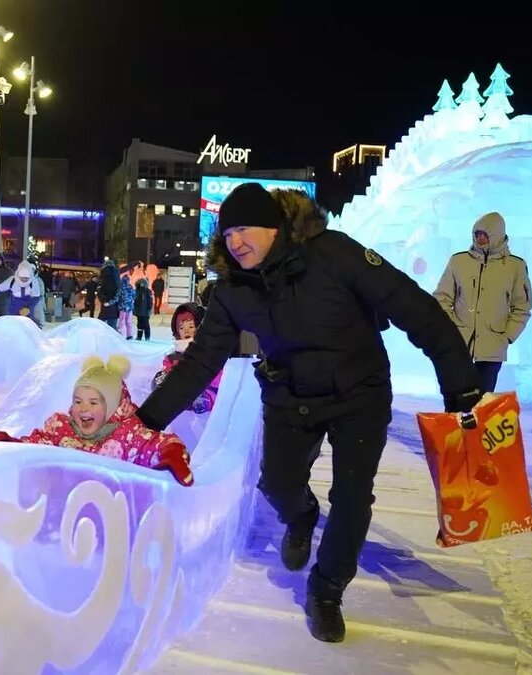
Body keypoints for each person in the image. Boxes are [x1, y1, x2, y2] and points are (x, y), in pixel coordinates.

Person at [135, 183, 482, 643]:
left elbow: (416, 309)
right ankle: (300, 515)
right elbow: (200, 361)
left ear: (274, 227)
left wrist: (460, 385)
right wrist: (144, 423)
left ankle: (327, 587)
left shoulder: (333, 253)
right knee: (277, 484)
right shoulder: (233, 289)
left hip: (359, 393)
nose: (235, 242)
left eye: (244, 229)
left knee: (353, 497)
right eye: (228, 233)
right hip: (289, 394)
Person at [0, 355, 193, 486]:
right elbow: (36, 446)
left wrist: (171, 454)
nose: (83, 408)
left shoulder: (128, 435)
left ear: (112, 407)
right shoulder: (62, 429)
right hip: (66, 511)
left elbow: (157, 443)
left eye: (94, 402)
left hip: (112, 514)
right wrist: (10, 446)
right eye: (78, 401)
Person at [433, 212, 532, 394]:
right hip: (458, 344)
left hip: (493, 346)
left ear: (498, 235)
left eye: (485, 234)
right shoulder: (458, 261)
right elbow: (442, 298)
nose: (480, 238)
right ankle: (453, 423)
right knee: (455, 396)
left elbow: (522, 306)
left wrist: (507, 336)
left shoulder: (515, 266)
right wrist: (451, 328)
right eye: (477, 234)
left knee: (482, 403)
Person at [151, 303, 221, 414]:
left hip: (204, 389)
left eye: (191, 326)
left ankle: (201, 401)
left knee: (205, 394)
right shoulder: (175, 355)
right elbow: (168, 367)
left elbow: (218, 376)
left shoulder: (209, 353)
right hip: (180, 390)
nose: (186, 331)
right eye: (181, 327)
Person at [96, 258, 120, 329]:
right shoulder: (116, 274)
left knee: (100, 325)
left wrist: (104, 301)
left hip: (105, 303)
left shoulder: (102, 275)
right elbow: (119, 290)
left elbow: (99, 290)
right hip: (114, 304)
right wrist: (113, 301)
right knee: (112, 325)